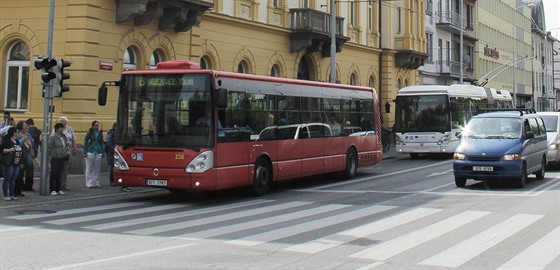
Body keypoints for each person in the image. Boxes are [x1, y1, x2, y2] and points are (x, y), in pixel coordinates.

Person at [48, 123, 69, 196]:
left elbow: (66, 145)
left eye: (63, 128)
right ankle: (52, 189)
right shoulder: (53, 137)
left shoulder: (63, 136)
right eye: (61, 128)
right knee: (53, 173)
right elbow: (49, 147)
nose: (62, 129)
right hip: (55, 157)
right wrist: (53, 154)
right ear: (57, 129)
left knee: (59, 173)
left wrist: (66, 152)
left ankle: (58, 188)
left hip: (62, 157)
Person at [14, 121, 33, 196]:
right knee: (19, 174)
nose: (27, 127)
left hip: (27, 155)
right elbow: (17, 143)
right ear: (21, 127)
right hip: (20, 155)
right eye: (25, 126)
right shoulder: (18, 134)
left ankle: (23, 188)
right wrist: (23, 139)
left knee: (24, 173)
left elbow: (31, 143)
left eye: (27, 126)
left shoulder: (28, 134)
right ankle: (17, 190)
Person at [83, 120, 104, 188]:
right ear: (93, 126)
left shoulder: (100, 133)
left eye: (98, 125)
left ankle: (95, 182)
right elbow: (85, 142)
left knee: (97, 168)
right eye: (96, 125)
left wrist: (102, 152)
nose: (97, 127)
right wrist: (85, 152)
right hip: (91, 151)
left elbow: (101, 143)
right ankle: (89, 183)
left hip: (98, 151)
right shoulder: (89, 133)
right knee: (89, 168)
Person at [58, 116, 76, 190]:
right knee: (59, 168)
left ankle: (64, 184)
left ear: (66, 122)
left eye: (63, 121)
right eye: (61, 121)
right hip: (59, 151)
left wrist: (74, 149)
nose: (62, 122)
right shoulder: (56, 129)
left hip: (67, 151)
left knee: (65, 168)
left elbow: (73, 139)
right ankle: (58, 184)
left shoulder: (69, 129)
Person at [105, 122, 117, 186]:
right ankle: (111, 181)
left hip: (115, 152)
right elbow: (108, 142)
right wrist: (114, 149)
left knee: (116, 167)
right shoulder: (111, 134)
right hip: (112, 153)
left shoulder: (118, 133)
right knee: (113, 167)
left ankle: (115, 180)